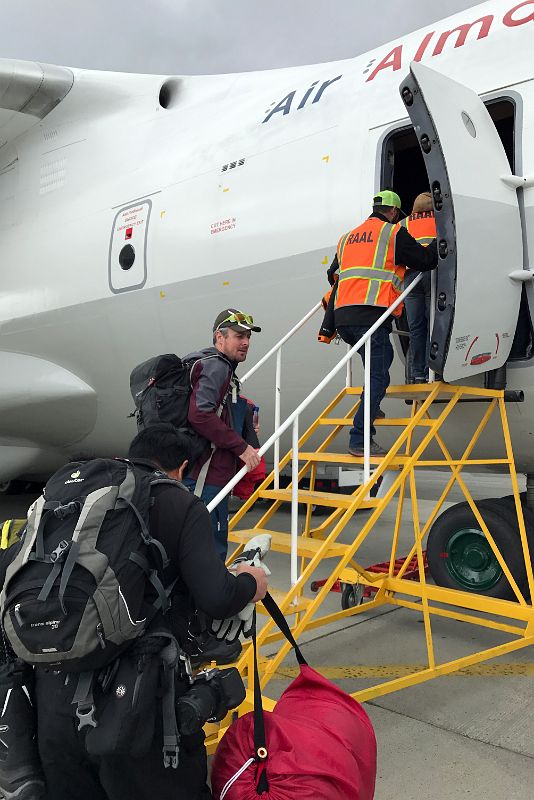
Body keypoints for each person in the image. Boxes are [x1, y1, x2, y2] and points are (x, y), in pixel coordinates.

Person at [31, 424, 269, 800]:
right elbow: (217, 596)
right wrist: (251, 582)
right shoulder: (178, 502)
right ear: (182, 467)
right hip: (136, 701)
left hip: (54, 690)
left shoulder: (78, 498)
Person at [326, 190, 437, 457]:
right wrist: (436, 242)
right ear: (394, 212)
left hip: (343, 317)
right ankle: (360, 438)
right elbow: (425, 261)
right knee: (379, 374)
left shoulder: (347, 237)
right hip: (371, 316)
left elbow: (332, 274)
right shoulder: (392, 233)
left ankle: (371, 406)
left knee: (376, 364)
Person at [183, 309, 261, 560]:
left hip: (203, 475)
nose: (246, 342)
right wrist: (242, 447)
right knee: (209, 552)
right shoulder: (217, 366)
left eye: (248, 336)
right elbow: (201, 415)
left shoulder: (216, 365)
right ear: (220, 338)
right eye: (239, 336)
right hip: (205, 478)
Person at [401, 191, 437, 383]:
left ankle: (418, 374)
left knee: (416, 328)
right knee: (434, 324)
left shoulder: (403, 224)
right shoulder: (442, 220)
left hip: (410, 277)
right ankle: (433, 369)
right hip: (433, 275)